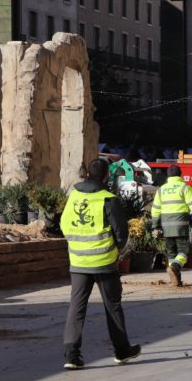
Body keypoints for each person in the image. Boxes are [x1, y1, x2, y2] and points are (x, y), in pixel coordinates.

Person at [60, 158, 141, 370]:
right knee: (112, 306)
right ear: (107, 176)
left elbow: (64, 224)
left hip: (78, 261)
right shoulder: (108, 199)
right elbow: (121, 235)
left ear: (87, 174)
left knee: (76, 306)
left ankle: (71, 355)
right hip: (104, 262)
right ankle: (122, 351)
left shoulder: (74, 195)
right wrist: (114, 250)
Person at [151, 163, 192, 287]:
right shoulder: (184, 187)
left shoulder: (161, 189)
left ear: (167, 176)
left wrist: (155, 225)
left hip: (166, 227)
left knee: (172, 253)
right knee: (183, 251)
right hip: (181, 226)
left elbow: (155, 209)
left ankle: (176, 280)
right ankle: (174, 268)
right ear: (180, 175)